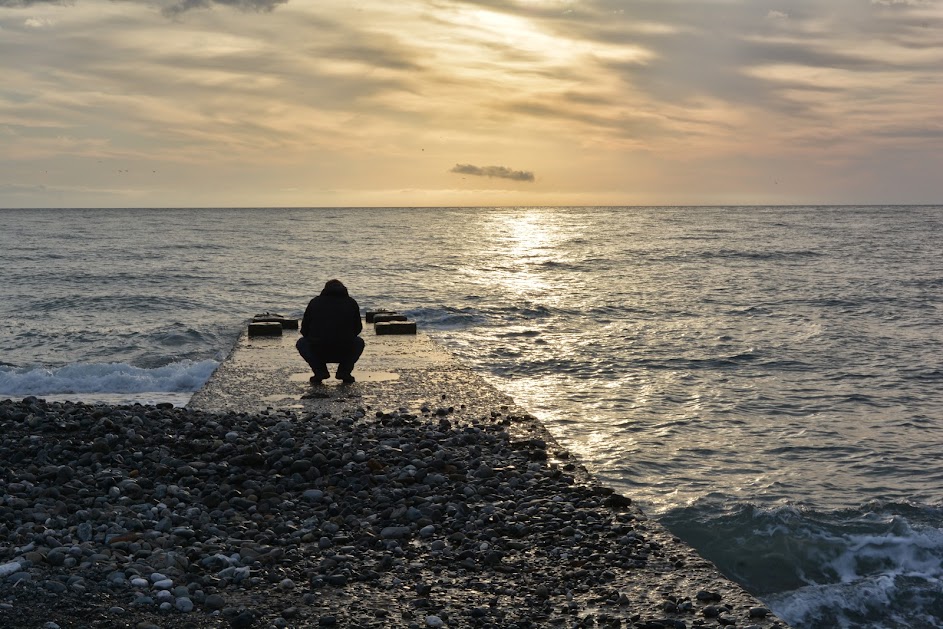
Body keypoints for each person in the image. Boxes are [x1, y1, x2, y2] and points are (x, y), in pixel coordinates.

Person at [296, 279, 365, 384]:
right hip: (345, 350)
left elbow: (304, 329)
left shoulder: (315, 302)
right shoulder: (351, 302)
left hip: (318, 350)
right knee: (359, 342)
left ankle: (320, 371)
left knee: (302, 343)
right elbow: (358, 329)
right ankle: (344, 372)